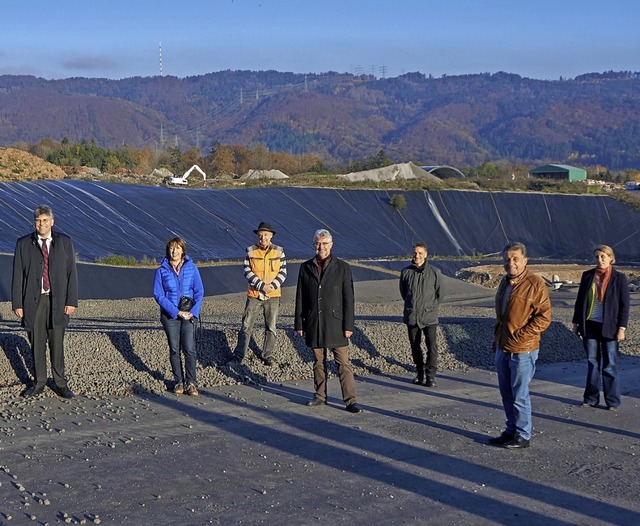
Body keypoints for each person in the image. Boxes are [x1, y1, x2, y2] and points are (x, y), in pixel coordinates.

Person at [12, 205, 78, 398]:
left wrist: (71, 301)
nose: (41, 224)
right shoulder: (23, 243)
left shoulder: (64, 242)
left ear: (52, 221)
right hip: (33, 301)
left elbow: (71, 274)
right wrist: (17, 304)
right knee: (37, 342)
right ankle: (39, 382)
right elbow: (17, 276)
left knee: (57, 342)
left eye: (45, 220)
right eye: (38, 220)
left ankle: (60, 383)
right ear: (35, 222)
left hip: (58, 300)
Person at [490, 242, 551, 449]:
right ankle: (511, 430)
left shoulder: (535, 284)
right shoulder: (505, 283)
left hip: (523, 350)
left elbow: (544, 318)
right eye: (507, 259)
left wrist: (522, 336)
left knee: (519, 394)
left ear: (525, 260)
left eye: (515, 259)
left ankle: (523, 434)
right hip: (502, 346)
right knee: (506, 392)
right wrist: (498, 338)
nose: (511, 263)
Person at [295, 228, 362, 414]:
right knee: (318, 361)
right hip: (314, 321)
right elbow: (300, 296)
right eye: (318, 243)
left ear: (331, 245)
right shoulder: (306, 267)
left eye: (324, 243)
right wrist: (299, 323)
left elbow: (349, 298)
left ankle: (350, 401)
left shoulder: (342, 268)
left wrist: (349, 325)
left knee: (343, 363)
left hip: (336, 324)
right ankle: (320, 395)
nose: (321, 247)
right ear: (314, 245)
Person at [572, 245, 629, 411]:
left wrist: (622, 328)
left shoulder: (619, 278)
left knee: (609, 364)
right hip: (590, 325)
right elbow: (580, 301)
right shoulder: (588, 276)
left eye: (603, 256)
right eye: (597, 256)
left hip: (610, 327)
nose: (600, 259)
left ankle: (612, 401)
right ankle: (590, 398)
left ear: (611, 258)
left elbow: (625, 306)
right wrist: (576, 323)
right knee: (592, 363)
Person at [154, 237, 204, 396]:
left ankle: (191, 383)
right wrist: (175, 312)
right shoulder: (161, 270)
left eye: (177, 248)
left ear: (183, 250)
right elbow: (158, 295)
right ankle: (178, 381)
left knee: (189, 349)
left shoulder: (192, 268)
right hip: (170, 316)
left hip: (189, 314)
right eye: (171, 248)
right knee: (174, 349)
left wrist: (193, 312)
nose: (174, 251)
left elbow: (199, 291)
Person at [232, 222, 287, 366]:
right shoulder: (251, 251)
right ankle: (239, 355)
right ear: (257, 235)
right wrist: (261, 285)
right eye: (261, 235)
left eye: (266, 235)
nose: (263, 237)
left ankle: (268, 355)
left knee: (271, 327)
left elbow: (283, 272)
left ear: (271, 236)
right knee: (246, 325)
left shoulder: (279, 251)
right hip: (254, 294)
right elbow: (247, 271)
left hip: (273, 295)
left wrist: (271, 286)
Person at [399, 243, 443, 387]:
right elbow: (404, 293)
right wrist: (412, 307)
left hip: (429, 317)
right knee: (415, 346)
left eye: (420, 253)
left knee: (431, 346)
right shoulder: (406, 272)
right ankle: (419, 373)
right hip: (412, 316)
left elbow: (439, 294)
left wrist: (430, 308)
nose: (417, 256)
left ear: (426, 254)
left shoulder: (434, 272)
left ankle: (430, 376)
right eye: (414, 253)